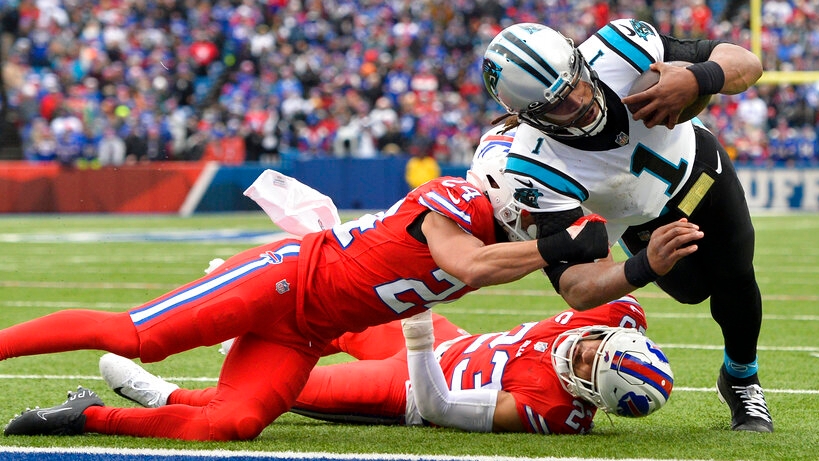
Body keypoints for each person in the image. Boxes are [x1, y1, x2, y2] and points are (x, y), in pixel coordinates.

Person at [1, 152, 646, 441]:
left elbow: (566, 278)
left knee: (231, 423)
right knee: (134, 337)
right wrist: (559, 247)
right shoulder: (455, 200)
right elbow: (469, 265)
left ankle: (86, 415)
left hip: (305, 330)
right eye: (539, 217)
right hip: (284, 281)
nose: (542, 226)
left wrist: (641, 262)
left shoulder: (505, 236)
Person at [478, 20, 770, 432]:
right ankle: (658, 263)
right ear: (529, 116)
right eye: (557, 104)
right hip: (641, 220)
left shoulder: (622, 49)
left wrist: (698, 79)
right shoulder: (533, 166)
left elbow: (747, 62)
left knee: (735, 275)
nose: (580, 102)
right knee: (690, 291)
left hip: (699, 169)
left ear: (580, 61)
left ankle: (741, 378)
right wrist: (644, 267)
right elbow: (576, 287)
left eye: (576, 83)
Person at [99, 295, 671, 434]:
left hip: (410, 383)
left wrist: (418, 341)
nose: (588, 347)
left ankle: (160, 394)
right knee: (323, 306)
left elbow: (438, 406)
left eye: (595, 364)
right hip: (453, 340)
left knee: (275, 393)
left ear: (594, 396)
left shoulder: (547, 408)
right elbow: (614, 273)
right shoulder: (616, 321)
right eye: (604, 343)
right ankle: (242, 331)